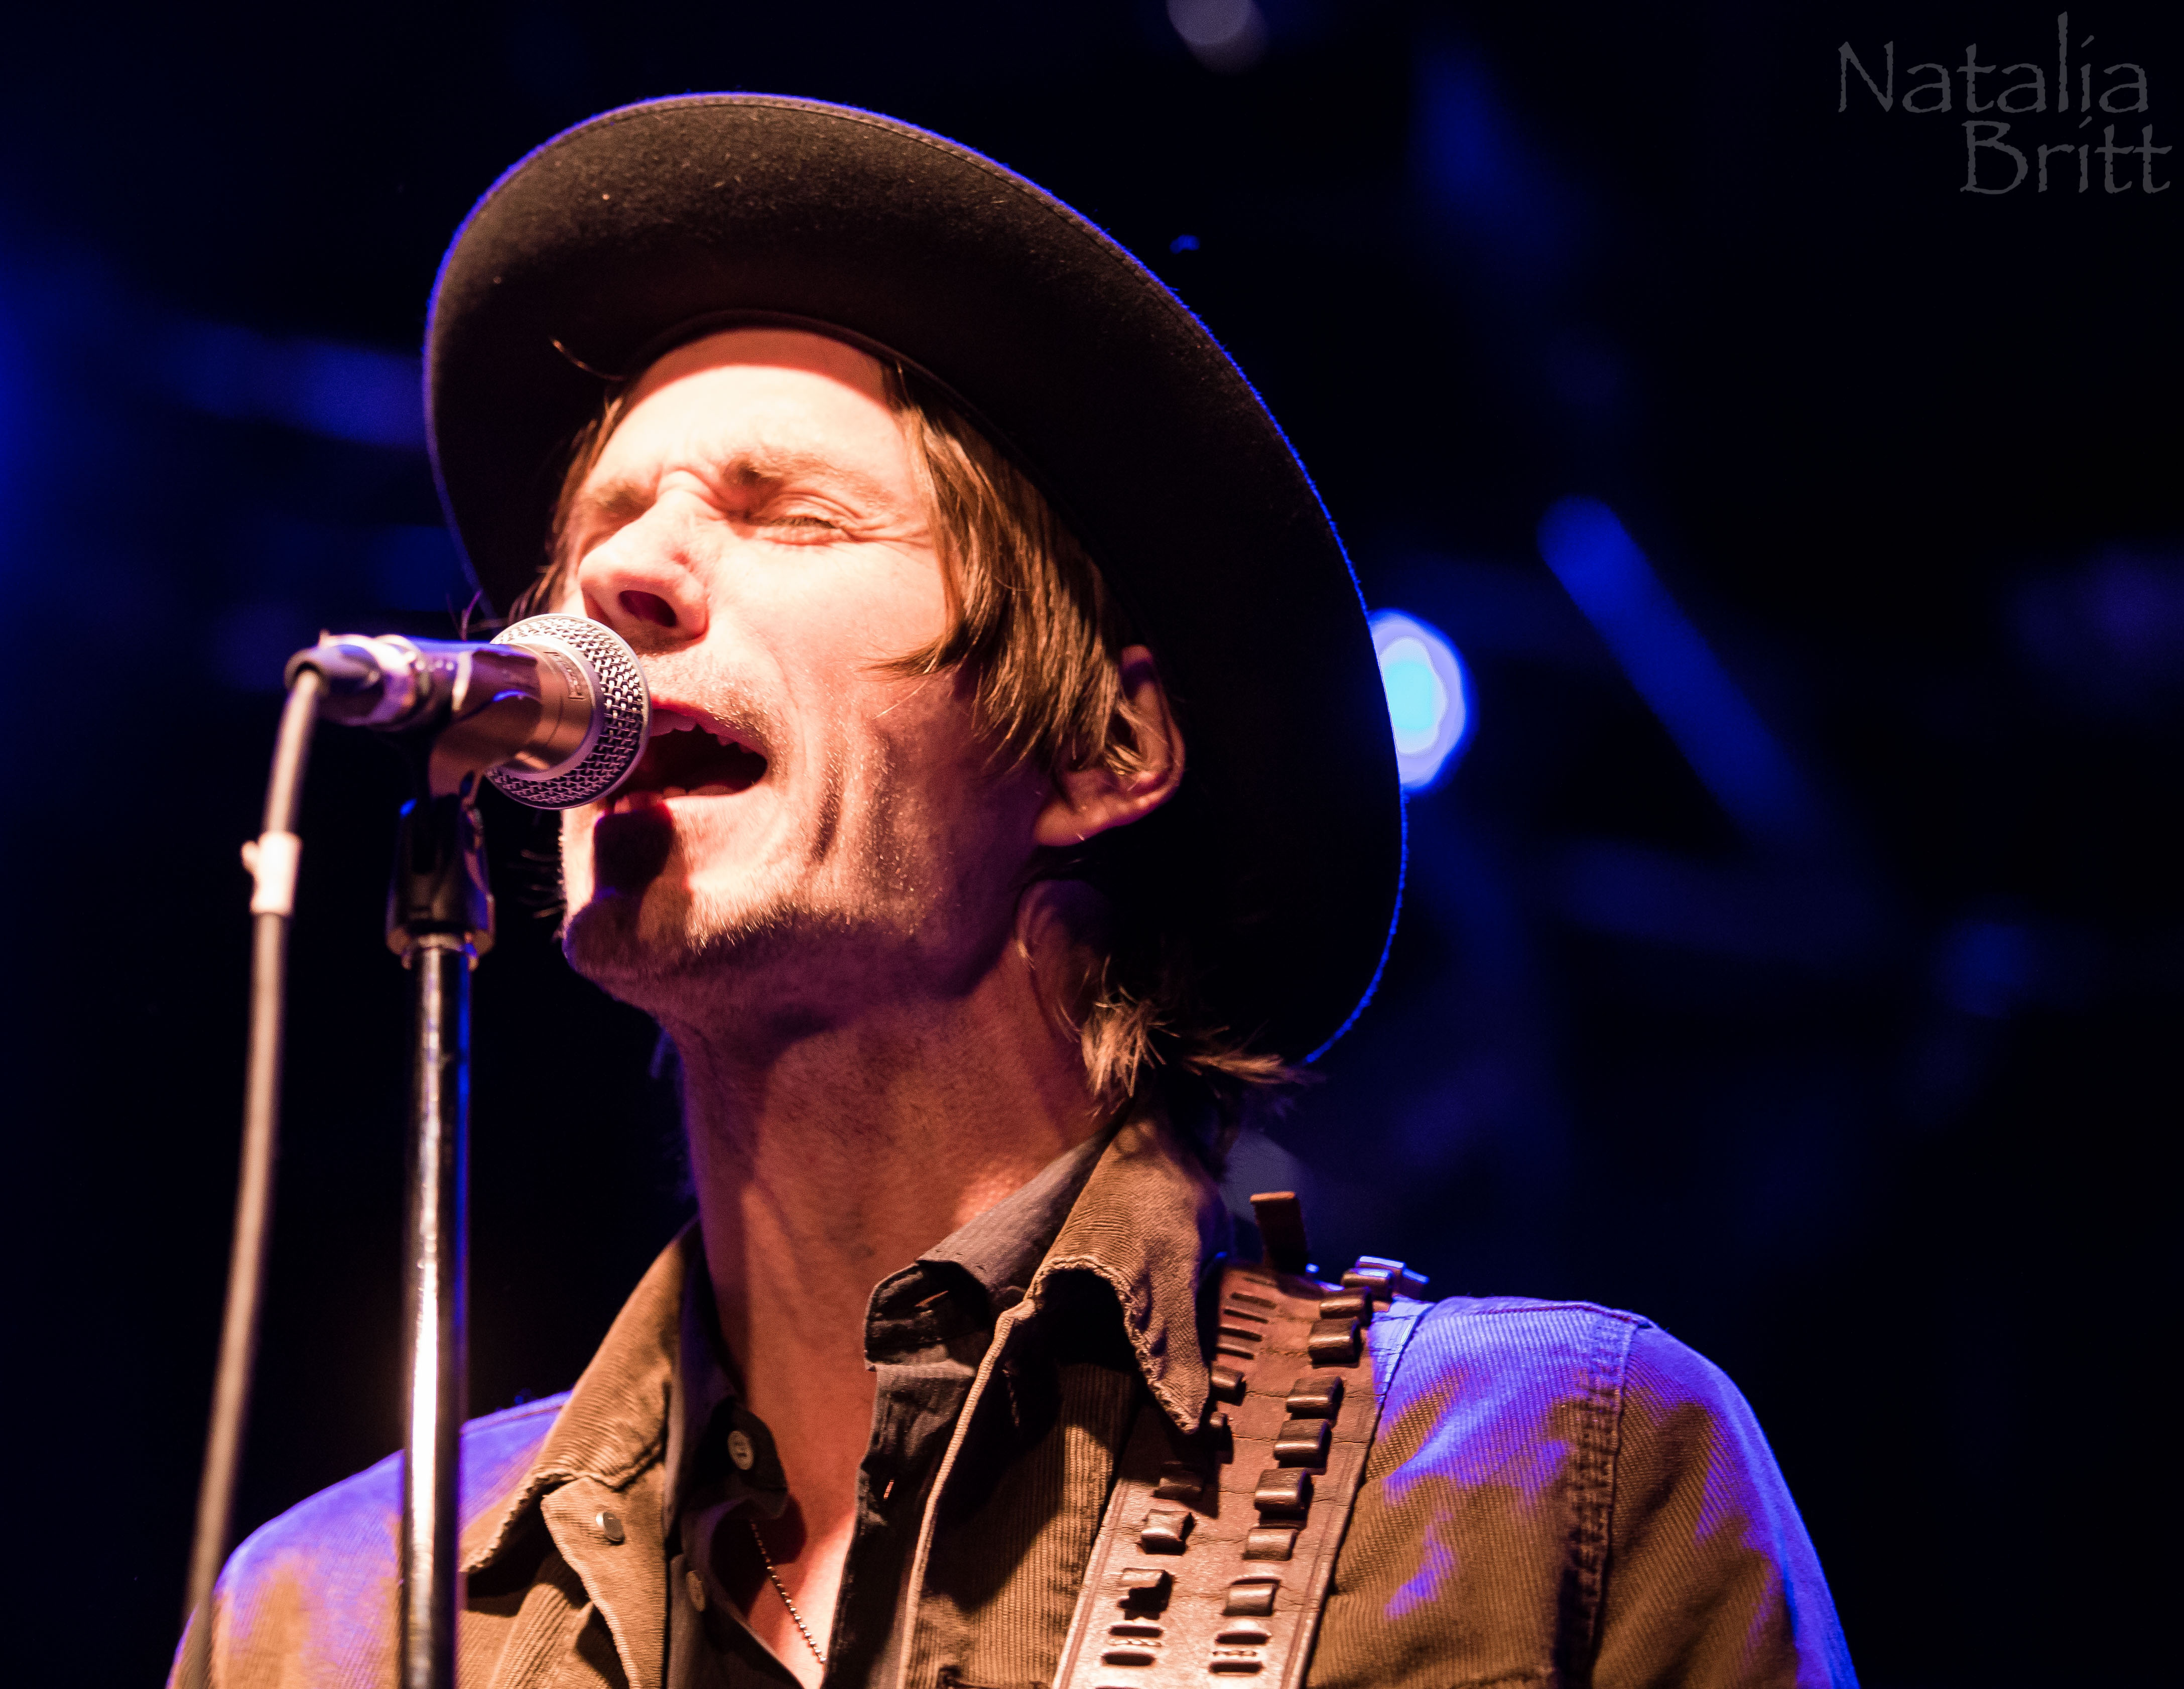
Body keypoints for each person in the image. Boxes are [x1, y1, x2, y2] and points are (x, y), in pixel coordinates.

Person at [184, 95, 1853, 1689]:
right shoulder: (328, 1623)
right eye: (602, 530)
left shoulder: (1551, 1480)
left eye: (794, 516)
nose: (619, 576)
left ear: (1103, 751)